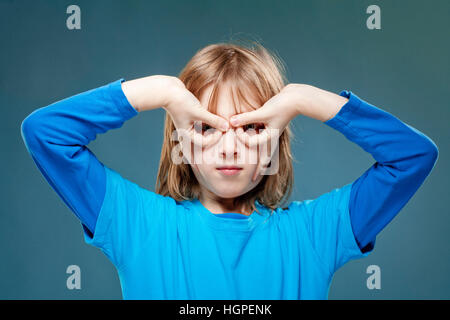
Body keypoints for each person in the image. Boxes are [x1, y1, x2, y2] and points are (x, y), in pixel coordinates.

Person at [20, 41, 438, 299]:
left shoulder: (314, 234)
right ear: (181, 142)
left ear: (275, 142)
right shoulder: (139, 224)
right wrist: (161, 91)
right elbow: (45, 133)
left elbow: (412, 157)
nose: (230, 146)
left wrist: (303, 99)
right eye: (206, 127)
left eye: (252, 127)